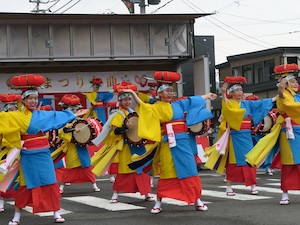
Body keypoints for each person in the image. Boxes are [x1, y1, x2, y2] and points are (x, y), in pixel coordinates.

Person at [120, 71, 217, 214]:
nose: (170, 93)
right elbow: (143, 105)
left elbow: (192, 101)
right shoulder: (157, 107)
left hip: (183, 141)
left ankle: (197, 199)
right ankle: (158, 201)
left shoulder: (179, 104)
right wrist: (133, 93)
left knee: (190, 169)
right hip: (168, 142)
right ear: (159, 93)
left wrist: (207, 96)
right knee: (167, 172)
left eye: (171, 90)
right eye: (167, 91)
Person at [0, 74, 89, 225]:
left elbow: (56, 117)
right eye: (30, 98)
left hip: (43, 153)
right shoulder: (15, 116)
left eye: (35, 98)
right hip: (28, 155)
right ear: (23, 100)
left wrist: (74, 114)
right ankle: (16, 217)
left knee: (50, 182)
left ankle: (56, 212)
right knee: (25, 185)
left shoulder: (42, 115)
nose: (33, 101)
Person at [204, 76, 276, 196]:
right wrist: (223, 91)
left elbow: (261, 104)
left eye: (241, 90)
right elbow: (226, 105)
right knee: (233, 162)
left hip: (246, 135)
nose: (239, 92)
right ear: (231, 93)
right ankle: (229, 187)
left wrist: (274, 98)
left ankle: (253, 185)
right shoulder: (229, 103)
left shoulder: (247, 104)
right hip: (234, 136)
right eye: (237, 90)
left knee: (249, 159)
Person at [246, 63, 300, 205]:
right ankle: (285, 193)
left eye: (296, 81)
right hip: (289, 133)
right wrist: (281, 89)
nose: (296, 83)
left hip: (298, 130)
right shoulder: (284, 96)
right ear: (286, 83)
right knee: (289, 163)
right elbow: (288, 106)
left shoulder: (297, 96)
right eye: (293, 81)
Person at [91, 88, 154, 203]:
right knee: (125, 170)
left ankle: (146, 193)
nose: (128, 102)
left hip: (138, 146)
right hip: (126, 147)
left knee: (141, 169)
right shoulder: (117, 115)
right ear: (120, 101)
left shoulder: (132, 113)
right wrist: (125, 127)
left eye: (129, 99)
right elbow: (115, 131)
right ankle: (115, 194)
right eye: (125, 100)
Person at [55, 94, 100, 194]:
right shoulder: (63, 121)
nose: (74, 111)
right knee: (70, 167)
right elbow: (63, 131)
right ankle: (62, 186)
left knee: (87, 166)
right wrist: (73, 129)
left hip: (82, 147)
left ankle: (94, 184)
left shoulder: (80, 121)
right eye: (71, 109)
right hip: (72, 147)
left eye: (75, 109)